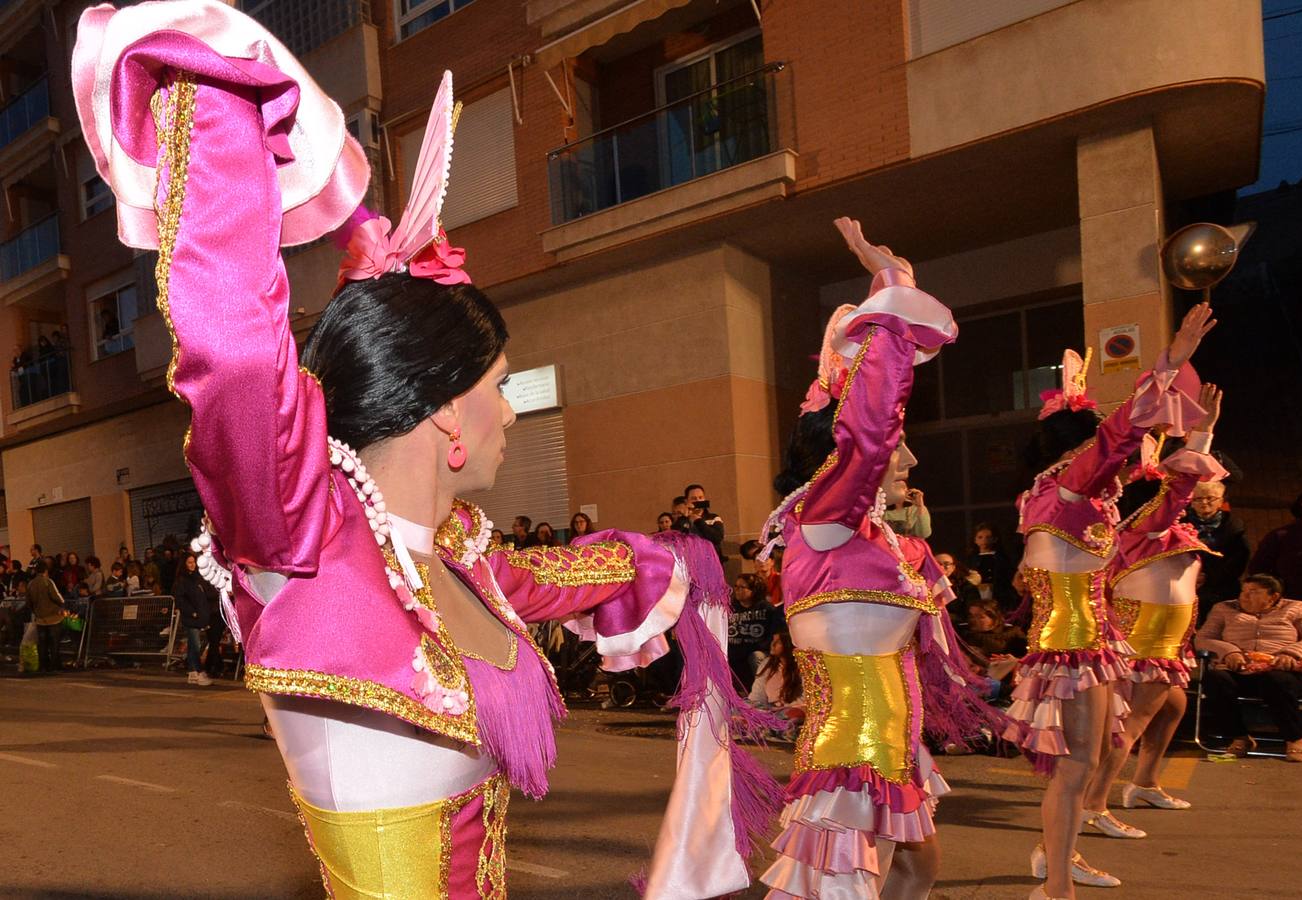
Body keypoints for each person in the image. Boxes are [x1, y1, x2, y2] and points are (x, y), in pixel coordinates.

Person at [74, 11, 777, 894]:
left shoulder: (456, 554)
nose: (510, 414)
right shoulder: (299, 534)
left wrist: (673, 558)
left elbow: (563, 574)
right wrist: (227, 90)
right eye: (500, 386)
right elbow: (238, 346)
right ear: (446, 411)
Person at [757, 218, 995, 898]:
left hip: (895, 747)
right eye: (901, 448)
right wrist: (893, 296)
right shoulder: (821, 521)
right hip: (850, 758)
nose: (909, 459)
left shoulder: (874, 538)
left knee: (919, 872)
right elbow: (868, 434)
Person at [1006, 303, 1214, 899]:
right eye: (1113, 458)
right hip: (1072, 643)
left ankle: (1057, 861)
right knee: (1077, 767)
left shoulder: (1055, 495)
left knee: (1093, 756)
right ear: (1078, 450)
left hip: (1089, 641)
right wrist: (1169, 365)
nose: (1123, 467)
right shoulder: (1072, 485)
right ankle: (1056, 885)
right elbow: (1118, 435)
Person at [1081, 385, 1226, 834]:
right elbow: (1180, 486)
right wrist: (1202, 433)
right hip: (1147, 639)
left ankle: (1143, 783)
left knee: (1172, 706)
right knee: (1133, 720)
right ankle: (1093, 805)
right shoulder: (1148, 524)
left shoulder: (1160, 529)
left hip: (1167, 637)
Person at [1195, 574, 1302, 761]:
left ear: (1273, 597)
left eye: (1253, 592)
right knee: (1215, 679)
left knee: (1276, 680)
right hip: (1239, 669)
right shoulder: (1224, 608)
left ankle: (1295, 739)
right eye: (1243, 591)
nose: (1244, 596)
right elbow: (1203, 638)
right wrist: (1229, 651)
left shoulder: (1296, 608)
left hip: (1282, 669)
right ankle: (1240, 737)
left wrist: (1292, 653)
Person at [1181, 479, 1249, 620]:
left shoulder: (1234, 526)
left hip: (1220, 586)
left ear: (1221, 501)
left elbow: (1238, 559)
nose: (1204, 503)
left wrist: (1209, 577)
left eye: (1210, 498)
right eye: (1198, 499)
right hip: (1182, 581)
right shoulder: (1179, 522)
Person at [728, 574, 773, 691]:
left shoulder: (767, 609)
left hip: (757, 651)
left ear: (754, 590)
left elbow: (772, 635)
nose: (737, 590)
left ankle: (763, 694)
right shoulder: (730, 608)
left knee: (756, 656)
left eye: (742, 587)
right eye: (736, 586)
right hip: (734, 651)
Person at [173, 555, 213, 686]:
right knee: (195, 644)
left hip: (200, 616)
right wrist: (192, 612)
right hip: (191, 617)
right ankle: (197, 670)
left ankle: (193, 672)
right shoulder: (183, 580)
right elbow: (180, 599)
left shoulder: (198, 578)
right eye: (189, 562)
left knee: (195, 645)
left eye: (193, 562)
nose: (192, 564)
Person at [25, 560, 66, 673]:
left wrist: (36, 611)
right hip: (53, 618)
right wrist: (62, 605)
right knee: (54, 643)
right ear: (46, 571)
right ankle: (54, 666)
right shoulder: (48, 582)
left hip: (40, 619)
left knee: (42, 644)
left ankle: (43, 666)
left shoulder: (30, 584)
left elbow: (28, 602)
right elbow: (57, 597)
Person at [965, 522, 1016, 608]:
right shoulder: (970, 559)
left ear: (995, 539)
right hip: (976, 595)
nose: (984, 540)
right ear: (975, 540)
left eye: (988, 537)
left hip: (998, 595)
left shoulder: (1002, 558)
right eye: (980, 537)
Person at [676, 483, 725, 558]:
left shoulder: (714, 518)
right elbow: (676, 539)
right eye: (694, 498)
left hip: (711, 562)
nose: (698, 501)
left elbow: (717, 538)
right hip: (689, 562)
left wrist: (698, 520)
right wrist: (684, 518)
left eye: (700, 497)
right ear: (687, 501)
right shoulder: (682, 520)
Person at [935, 552, 982, 625]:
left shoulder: (966, 587)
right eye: (937, 564)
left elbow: (971, 613)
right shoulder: (923, 585)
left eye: (946, 564)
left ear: (953, 567)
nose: (941, 567)